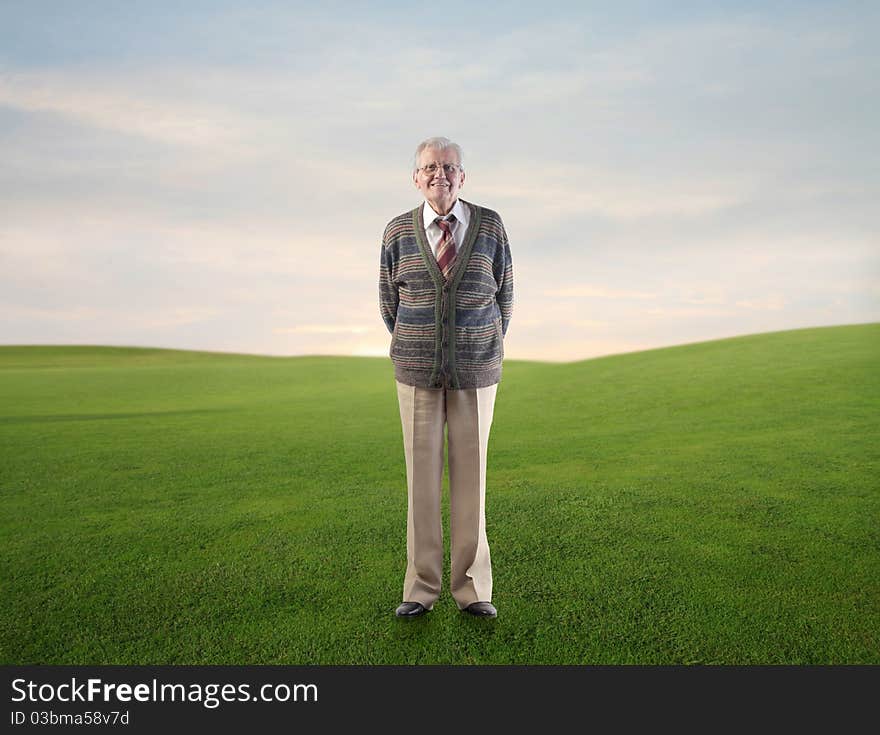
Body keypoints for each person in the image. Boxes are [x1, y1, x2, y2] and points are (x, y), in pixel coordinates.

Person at [378, 136, 514, 618]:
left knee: (471, 478)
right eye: (431, 168)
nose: (441, 174)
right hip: (415, 372)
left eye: (450, 167)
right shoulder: (397, 230)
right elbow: (389, 304)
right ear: (416, 178)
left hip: (476, 370)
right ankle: (420, 588)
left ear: (463, 176)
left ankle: (474, 589)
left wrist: (478, 345)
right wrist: (420, 344)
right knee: (422, 480)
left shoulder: (490, 225)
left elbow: (506, 298)